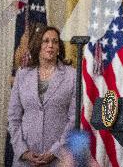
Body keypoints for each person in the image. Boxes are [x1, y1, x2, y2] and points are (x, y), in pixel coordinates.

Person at [8, 25, 76, 166]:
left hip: (59, 158)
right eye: (45, 41)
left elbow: (73, 119)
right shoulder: (22, 74)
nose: (50, 45)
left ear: (59, 48)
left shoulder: (72, 75)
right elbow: (13, 118)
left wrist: (55, 151)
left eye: (55, 42)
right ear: (38, 45)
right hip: (25, 159)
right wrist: (23, 151)